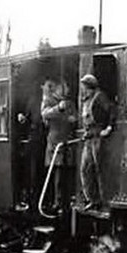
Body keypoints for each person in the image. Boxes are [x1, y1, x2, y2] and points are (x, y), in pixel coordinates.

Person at [76, 73, 115, 211]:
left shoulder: (100, 97)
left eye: (84, 86)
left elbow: (111, 109)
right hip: (89, 138)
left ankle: (103, 200)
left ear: (88, 87)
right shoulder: (87, 99)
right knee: (85, 169)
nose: (82, 89)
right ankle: (92, 199)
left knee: (99, 169)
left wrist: (109, 127)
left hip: (98, 136)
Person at [39, 79, 76, 212]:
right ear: (57, 88)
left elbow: (75, 116)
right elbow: (45, 114)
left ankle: (68, 200)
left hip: (69, 141)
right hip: (55, 141)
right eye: (64, 86)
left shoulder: (70, 103)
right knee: (57, 173)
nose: (66, 90)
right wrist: (58, 108)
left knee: (69, 172)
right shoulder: (48, 101)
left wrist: (73, 119)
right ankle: (57, 202)